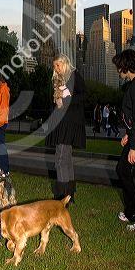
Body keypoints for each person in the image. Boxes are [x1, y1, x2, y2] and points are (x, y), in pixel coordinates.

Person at [45, 54, 86, 202]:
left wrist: (67, 99)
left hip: (70, 122)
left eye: (58, 65)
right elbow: (57, 103)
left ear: (65, 63)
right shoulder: (57, 80)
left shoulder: (74, 75)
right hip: (60, 121)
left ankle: (62, 198)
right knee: (66, 159)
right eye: (54, 66)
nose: (56, 68)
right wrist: (57, 99)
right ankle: (69, 195)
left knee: (61, 159)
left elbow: (83, 96)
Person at [112, 49, 135, 234]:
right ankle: (131, 211)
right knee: (122, 170)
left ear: (125, 66)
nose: (117, 71)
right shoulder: (134, 85)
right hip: (134, 137)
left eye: (118, 67)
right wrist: (128, 135)